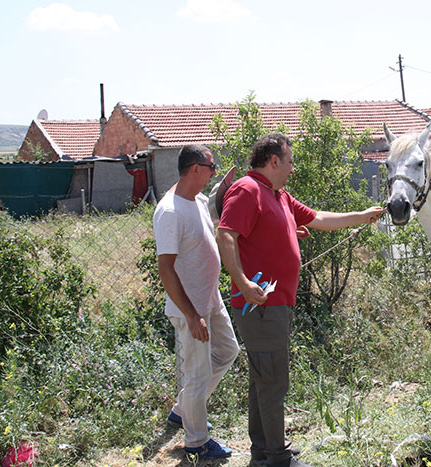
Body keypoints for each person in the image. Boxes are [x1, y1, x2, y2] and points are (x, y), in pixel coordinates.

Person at [216, 134, 385, 467]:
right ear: (274, 161)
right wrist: (243, 282)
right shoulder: (247, 190)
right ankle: (277, 458)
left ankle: (263, 452)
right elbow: (226, 234)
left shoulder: (277, 195)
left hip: (275, 304)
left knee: (263, 379)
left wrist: (362, 215)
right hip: (259, 304)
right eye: (290, 162)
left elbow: (319, 219)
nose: (293, 169)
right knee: (273, 379)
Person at [153, 144, 239, 459]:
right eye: (211, 167)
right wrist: (191, 315)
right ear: (195, 169)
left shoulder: (198, 200)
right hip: (190, 307)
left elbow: (213, 212)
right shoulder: (169, 212)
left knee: (228, 351)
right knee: (196, 374)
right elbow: (165, 268)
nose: (213, 172)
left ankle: (184, 408)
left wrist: (224, 188)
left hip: (210, 298)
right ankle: (197, 443)